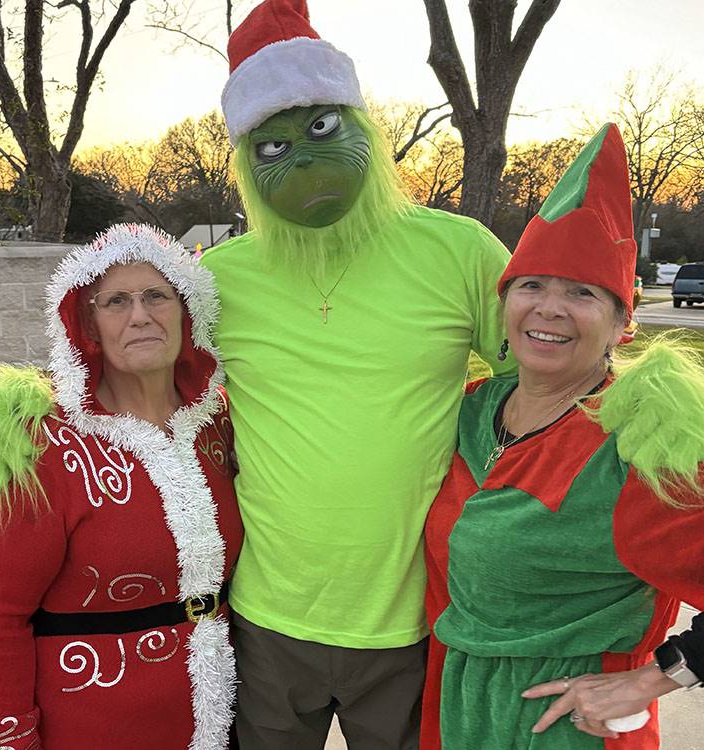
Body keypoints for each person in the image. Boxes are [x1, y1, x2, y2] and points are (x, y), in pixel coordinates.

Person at [200, 1, 513, 746]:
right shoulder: (215, 279)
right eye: (270, 146)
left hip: (414, 620)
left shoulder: (459, 251)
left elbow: (556, 383)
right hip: (269, 622)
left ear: (361, 124)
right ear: (246, 162)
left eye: (318, 129)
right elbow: (137, 386)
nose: (301, 159)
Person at [422, 124, 704, 749]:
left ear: (622, 323)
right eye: (531, 285)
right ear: (505, 303)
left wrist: (660, 675)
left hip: (563, 727)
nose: (550, 308)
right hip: (458, 706)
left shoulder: (633, 450)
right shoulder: (475, 410)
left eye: (582, 293)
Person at [0, 224, 243, 750]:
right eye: (115, 301)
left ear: (187, 311)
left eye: (156, 295)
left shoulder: (219, 423)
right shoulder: (42, 443)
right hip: (91, 724)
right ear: (87, 323)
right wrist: (10, 737)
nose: (140, 315)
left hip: (227, 712)